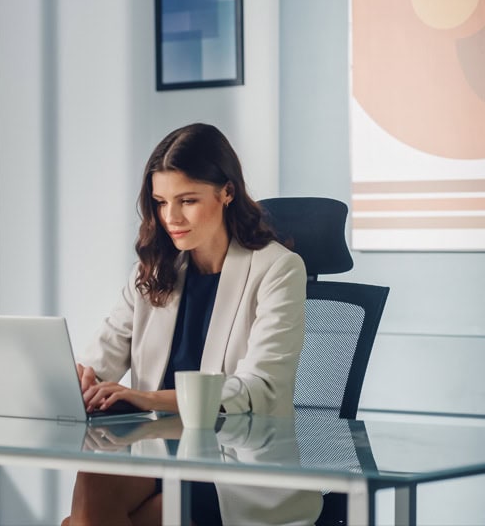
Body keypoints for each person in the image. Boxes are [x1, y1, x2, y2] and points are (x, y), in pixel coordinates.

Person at [63, 123, 321, 525]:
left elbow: (259, 387)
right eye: (161, 202)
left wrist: (149, 399)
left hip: (233, 469)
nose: (171, 217)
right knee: (96, 475)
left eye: (187, 200)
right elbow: (100, 358)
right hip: (159, 459)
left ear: (227, 192)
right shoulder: (151, 271)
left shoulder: (277, 270)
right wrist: (79, 380)